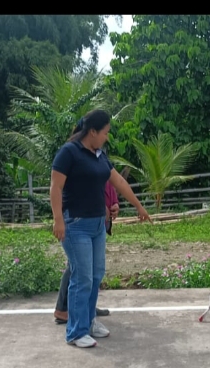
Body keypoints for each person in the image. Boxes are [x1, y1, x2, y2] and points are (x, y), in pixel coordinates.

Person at [50, 109, 151, 348]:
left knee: (96, 276)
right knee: (82, 277)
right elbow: (55, 187)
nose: (107, 137)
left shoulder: (99, 155)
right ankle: (76, 332)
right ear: (93, 132)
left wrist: (139, 206)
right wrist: (58, 219)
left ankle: (89, 322)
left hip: (98, 225)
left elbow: (119, 181)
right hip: (76, 225)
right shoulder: (69, 152)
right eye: (105, 133)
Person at [53, 180, 119, 325]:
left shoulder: (103, 166)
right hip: (82, 221)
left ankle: (87, 308)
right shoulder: (76, 165)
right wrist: (100, 205)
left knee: (92, 270)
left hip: (98, 222)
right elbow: (71, 188)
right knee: (77, 267)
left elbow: (110, 185)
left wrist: (114, 204)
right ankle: (63, 309)